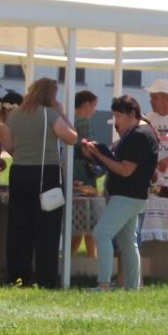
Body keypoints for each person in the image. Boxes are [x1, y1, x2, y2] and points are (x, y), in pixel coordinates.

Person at [5, 78, 80, 287]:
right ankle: (46, 278)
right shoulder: (50, 114)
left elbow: (10, 146)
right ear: (51, 95)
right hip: (46, 173)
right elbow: (72, 137)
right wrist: (62, 112)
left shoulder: (15, 114)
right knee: (47, 228)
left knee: (19, 227)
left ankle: (18, 277)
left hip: (19, 172)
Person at [80, 95, 159, 290]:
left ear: (132, 114)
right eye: (114, 116)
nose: (116, 122)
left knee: (101, 233)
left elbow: (125, 169)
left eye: (119, 116)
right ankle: (132, 287)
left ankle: (103, 284)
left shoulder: (140, 135)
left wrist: (99, 154)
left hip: (128, 195)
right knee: (127, 241)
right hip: (131, 195)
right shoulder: (139, 133)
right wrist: (101, 154)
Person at [69, 89, 101, 261]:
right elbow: (89, 149)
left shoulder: (69, 119)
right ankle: (90, 256)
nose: (94, 110)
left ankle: (75, 255)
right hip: (85, 174)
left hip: (73, 172)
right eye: (94, 106)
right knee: (88, 218)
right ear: (87, 104)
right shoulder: (83, 122)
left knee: (79, 218)